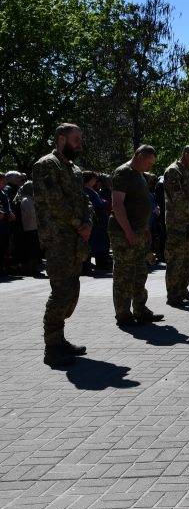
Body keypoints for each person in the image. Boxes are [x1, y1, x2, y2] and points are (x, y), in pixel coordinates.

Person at [32, 124, 93, 367]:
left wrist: (88, 220)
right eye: (75, 139)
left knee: (71, 292)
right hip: (58, 239)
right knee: (61, 292)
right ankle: (52, 347)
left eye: (80, 139)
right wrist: (80, 223)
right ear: (61, 139)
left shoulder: (73, 168)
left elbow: (83, 199)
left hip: (75, 239)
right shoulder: (47, 165)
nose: (79, 143)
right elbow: (54, 201)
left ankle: (60, 339)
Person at [109, 145, 164, 327]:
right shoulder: (123, 173)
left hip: (139, 231)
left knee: (140, 272)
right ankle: (123, 314)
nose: (149, 167)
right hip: (123, 232)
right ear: (139, 156)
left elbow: (140, 204)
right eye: (148, 163)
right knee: (124, 274)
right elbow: (117, 205)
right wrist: (128, 232)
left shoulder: (139, 174)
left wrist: (145, 227)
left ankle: (140, 310)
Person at [163, 145, 189, 306]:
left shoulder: (187, 171)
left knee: (187, 259)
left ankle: (182, 290)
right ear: (186, 154)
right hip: (177, 224)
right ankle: (173, 295)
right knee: (175, 260)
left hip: (188, 224)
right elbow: (178, 199)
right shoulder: (173, 171)